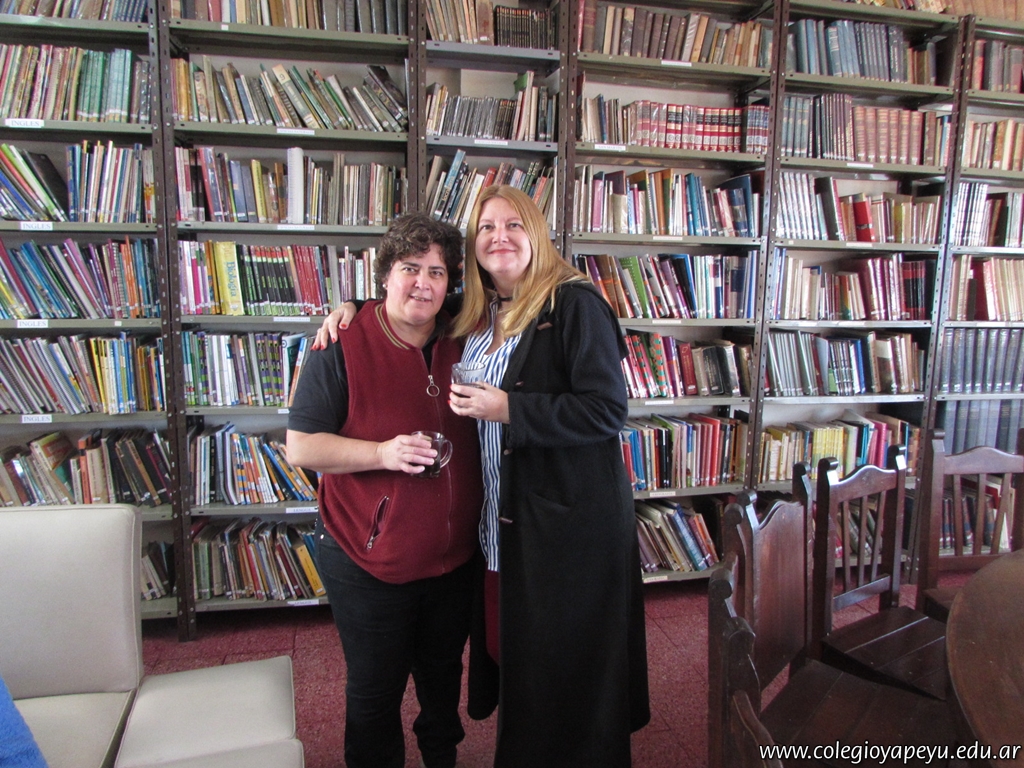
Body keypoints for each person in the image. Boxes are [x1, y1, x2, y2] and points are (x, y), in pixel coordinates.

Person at [319, 185, 650, 768]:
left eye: (514, 224)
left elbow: (607, 411)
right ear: (473, 246)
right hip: (504, 524)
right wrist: (352, 308)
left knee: (566, 672)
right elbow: (410, 291)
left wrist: (509, 409)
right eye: (488, 227)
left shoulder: (573, 303)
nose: (500, 237)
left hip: (566, 529)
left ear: (536, 233)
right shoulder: (477, 310)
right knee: (514, 658)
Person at [286, 213, 483, 768]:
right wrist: (381, 454)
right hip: (367, 558)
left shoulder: (468, 334)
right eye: (409, 269)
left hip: (455, 559)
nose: (423, 283)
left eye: (436, 272)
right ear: (385, 275)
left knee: (443, 679)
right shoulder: (342, 342)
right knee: (376, 690)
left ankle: (442, 758)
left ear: (451, 282)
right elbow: (301, 447)